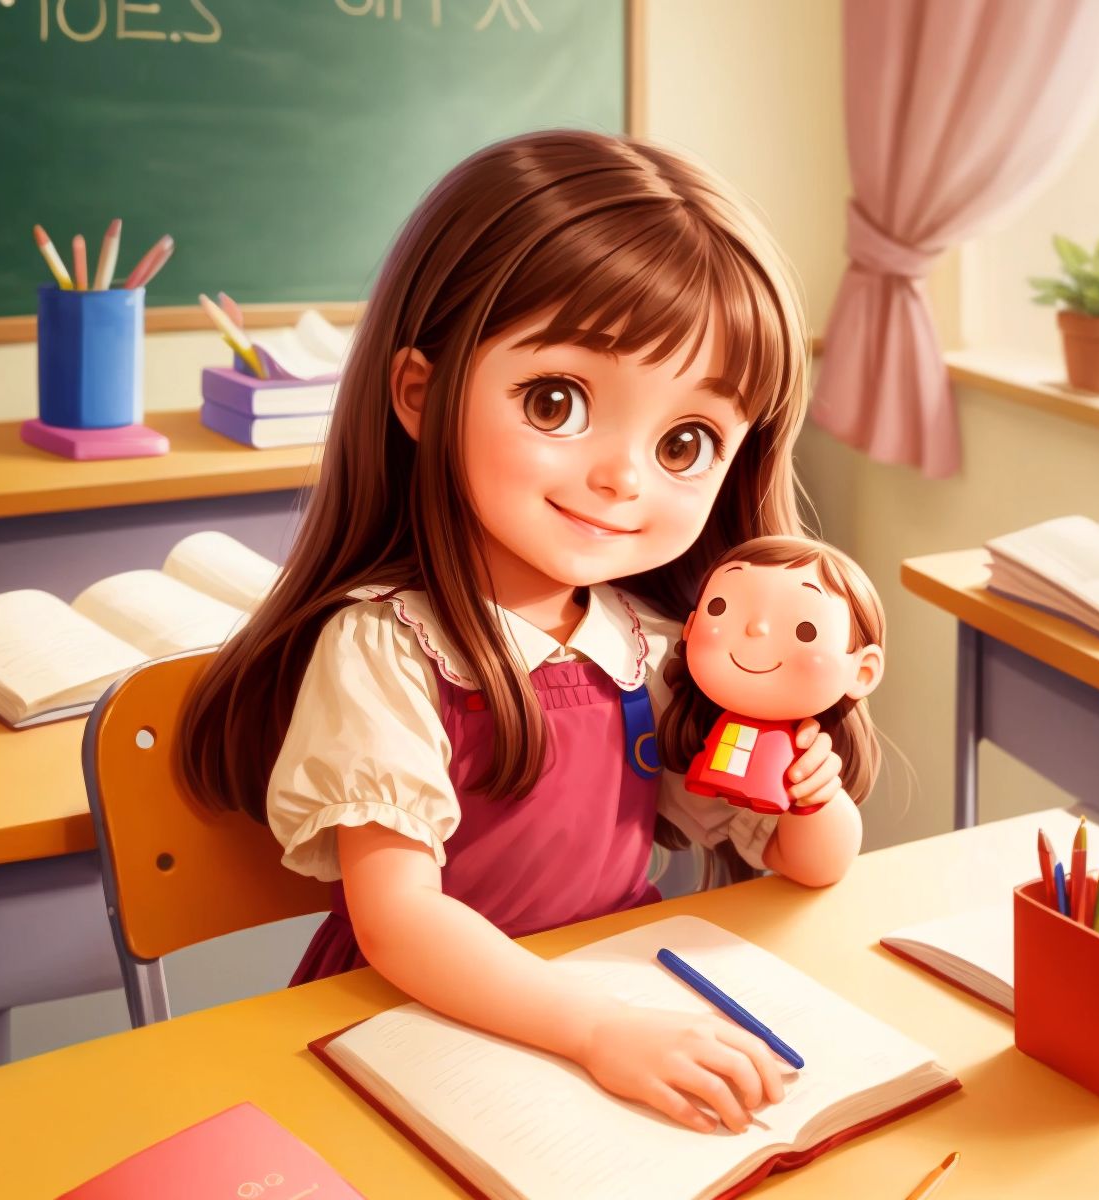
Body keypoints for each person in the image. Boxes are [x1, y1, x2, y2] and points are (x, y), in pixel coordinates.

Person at [178, 128, 871, 1136]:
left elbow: (805, 863)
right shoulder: (389, 648)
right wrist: (594, 1030)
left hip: (615, 1001)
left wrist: (815, 796)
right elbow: (399, 919)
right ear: (421, 391)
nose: (624, 477)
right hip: (423, 1020)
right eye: (558, 401)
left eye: (686, 441)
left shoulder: (653, 647)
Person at [662, 536, 884, 882]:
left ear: (863, 671)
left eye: (805, 630)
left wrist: (814, 797)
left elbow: (816, 867)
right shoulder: (659, 690)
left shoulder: (791, 751)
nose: (757, 628)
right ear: (690, 628)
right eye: (719, 607)